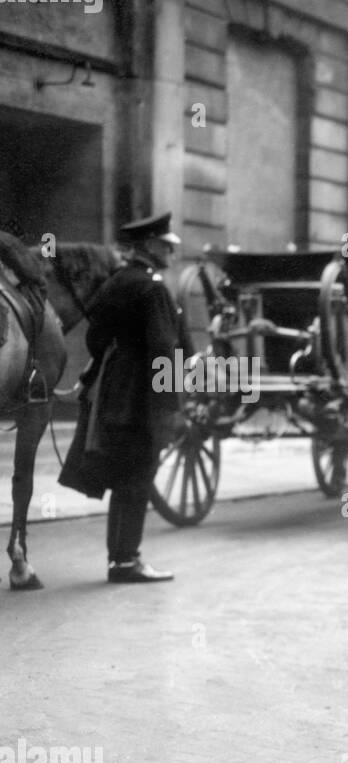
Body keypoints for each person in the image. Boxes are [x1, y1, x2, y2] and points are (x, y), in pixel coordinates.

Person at [58, 212, 182, 583]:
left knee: (125, 475)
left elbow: (96, 339)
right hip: (142, 395)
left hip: (113, 393)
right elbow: (164, 352)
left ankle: (120, 560)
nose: (171, 252)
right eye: (165, 246)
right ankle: (126, 561)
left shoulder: (116, 282)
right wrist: (168, 407)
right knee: (139, 476)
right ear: (147, 247)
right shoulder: (154, 288)